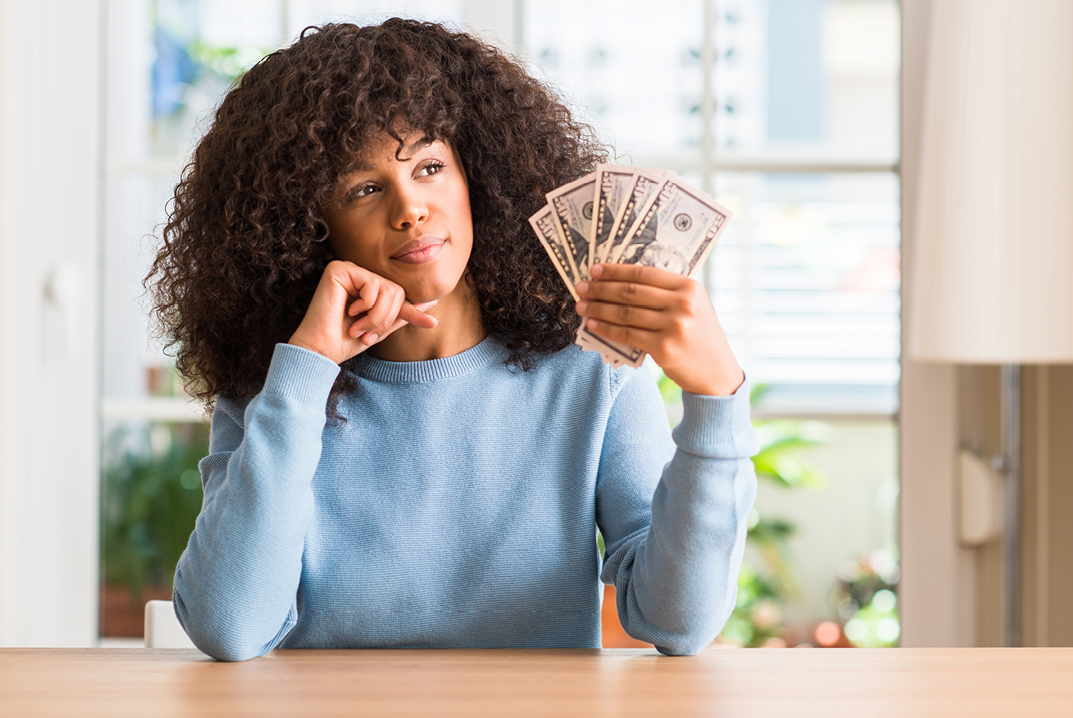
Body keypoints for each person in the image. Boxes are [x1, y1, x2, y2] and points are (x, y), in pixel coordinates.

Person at [146, 18, 757, 662]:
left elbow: (676, 623)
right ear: (308, 226)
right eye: (364, 188)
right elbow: (228, 626)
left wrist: (716, 400)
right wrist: (306, 371)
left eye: (430, 166)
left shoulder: (593, 370)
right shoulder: (282, 389)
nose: (409, 207)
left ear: (479, 178)